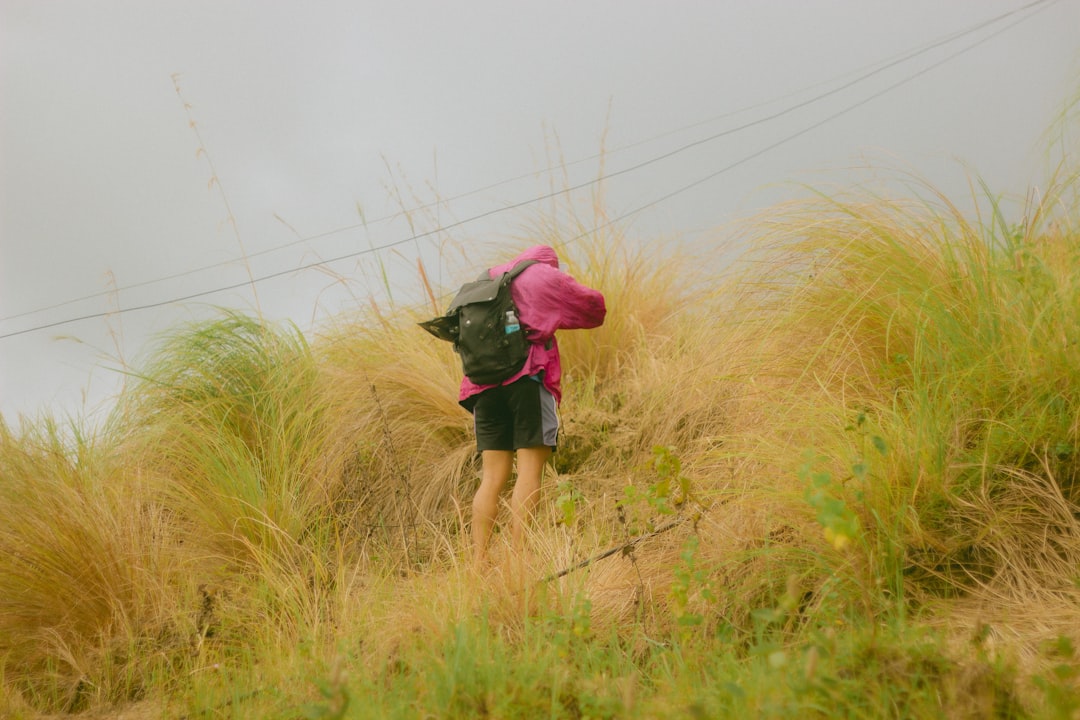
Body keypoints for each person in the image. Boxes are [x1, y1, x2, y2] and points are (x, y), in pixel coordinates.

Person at [459, 245, 606, 569]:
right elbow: (594, 309)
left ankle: (479, 564)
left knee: (492, 477)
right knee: (529, 471)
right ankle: (519, 559)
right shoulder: (543, 275)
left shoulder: (486, 280)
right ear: (551, 264)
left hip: (482, 387)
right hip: (528, 379)